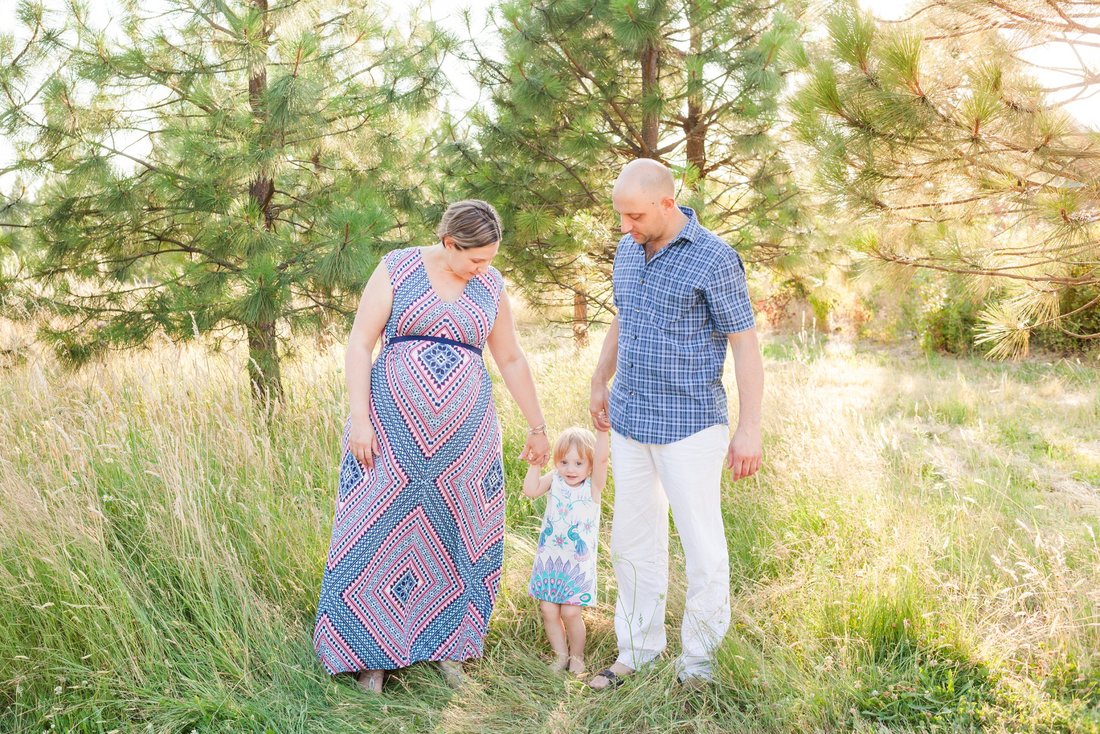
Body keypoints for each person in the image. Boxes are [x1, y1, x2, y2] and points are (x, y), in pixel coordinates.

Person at [313, 200, 550, 694]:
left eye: (490, 258)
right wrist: (360, 418)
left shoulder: (491, 284)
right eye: (476, 259)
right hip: (390, 431)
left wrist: (537, 425)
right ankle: (370, 659)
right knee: (377, 530)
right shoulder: (398, 267)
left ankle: (450, 648)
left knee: (459, 534)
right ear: (448, 243)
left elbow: (509, 357)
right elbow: (360, 343)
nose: (484, 268)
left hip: (465, 440)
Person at [587, 159, 764, 690]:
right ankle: (637, 651)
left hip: (690, 425)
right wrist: (600, 378)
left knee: (701, 545)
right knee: (631, 542)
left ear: (667, 204)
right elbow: (624, 314)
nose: (625, 227)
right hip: (630, 418)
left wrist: (749, 427)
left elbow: (746, 348)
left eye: (635, 215)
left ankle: (700, 664)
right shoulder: (626, 250)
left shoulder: (715, 258)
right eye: (621, 216)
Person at [523, 426, 610, 675]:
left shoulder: (593, 487)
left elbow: (603, 458)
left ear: (590, 466)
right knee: (548, 609)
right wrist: (535, 465)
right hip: (550, 559)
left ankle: (577, 656)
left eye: (578, 463)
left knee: (571, 612)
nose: (570, 469)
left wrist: (602, 432)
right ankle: (560, 656)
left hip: (576, 563)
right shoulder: (555, 479)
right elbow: (530, 490)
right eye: (564, 462)